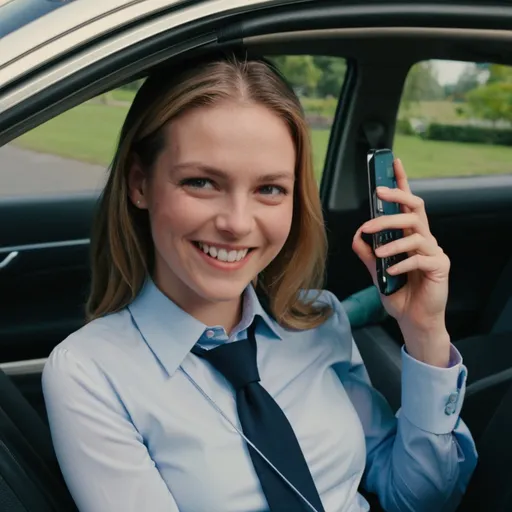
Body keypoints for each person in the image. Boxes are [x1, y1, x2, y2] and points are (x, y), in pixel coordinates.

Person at [42, 52, 477, 512]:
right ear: (139, 183)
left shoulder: (319, 320)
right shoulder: (90, 374)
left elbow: (419, 501)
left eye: (269, 189)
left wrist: (425, 333)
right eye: (202, 182)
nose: (236, 222)